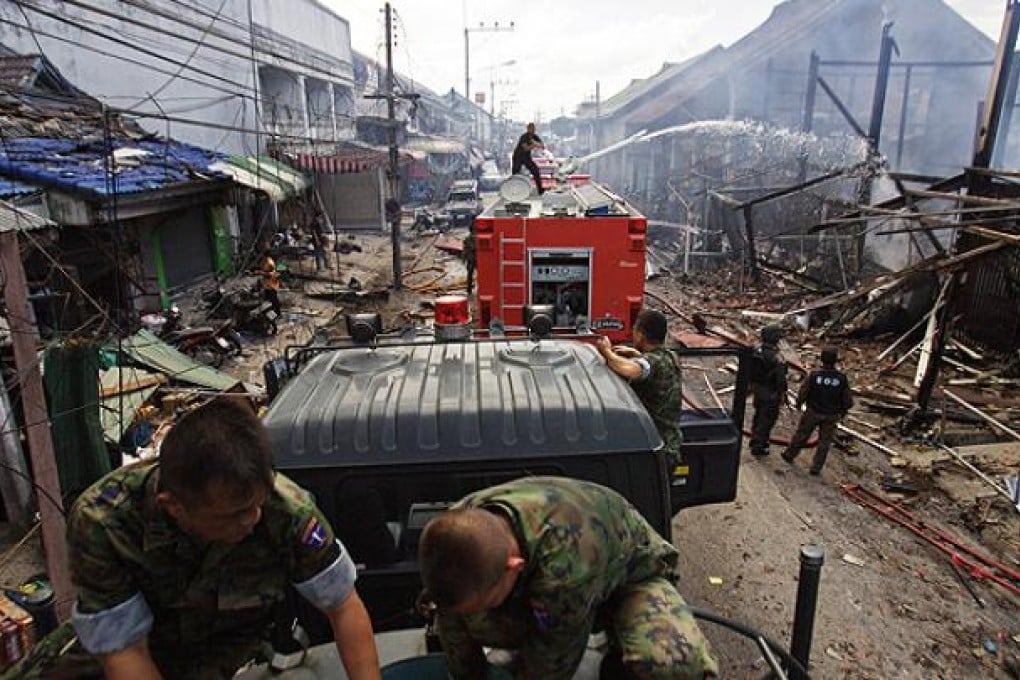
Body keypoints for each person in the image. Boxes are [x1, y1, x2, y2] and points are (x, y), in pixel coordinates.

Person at [11, 399, 380, 679]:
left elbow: (343, 606)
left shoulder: (286, 510)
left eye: (257, 504)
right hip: (120, 658)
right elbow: (125, 650)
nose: (252, 520)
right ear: (173, 506)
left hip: (222, 657)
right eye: (234, 514)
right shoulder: (106, 522)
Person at [419, 477, 718, 680]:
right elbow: (451, 620)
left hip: (628, 578)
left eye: (488, 601)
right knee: (475, 622)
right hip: (559, 584)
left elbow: (551, 666)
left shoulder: (563, 570)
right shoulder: (455, 530)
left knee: (671, 663)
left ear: (514, 566)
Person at [596, 308, 683, 467]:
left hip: (656, 450)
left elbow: (631, 370)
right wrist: (635, 354)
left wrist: (607, 352)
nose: (633, 334)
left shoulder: (652, 363)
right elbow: (652, 364)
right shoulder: (671, 356)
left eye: (635, 330)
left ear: (642, 334)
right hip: (670, 444)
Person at [782, 346, 853, 475]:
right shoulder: (841, 378)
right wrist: (843, 411)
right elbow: (847, 399)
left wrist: (798, 404)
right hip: (831, 415)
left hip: (813, 411)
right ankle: (816, 467)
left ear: (821, 359)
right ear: (836, 361)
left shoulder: (814, 375)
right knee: (824, 442)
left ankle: (790, 454)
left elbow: (804, 391)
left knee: (802, 434)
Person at [748, 325, 788, 458]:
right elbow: (781, 379)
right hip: (771, 392)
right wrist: (782, 393)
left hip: (758, 389)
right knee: (767, 419)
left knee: (758, 415)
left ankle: (754, 438)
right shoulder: (777, 357)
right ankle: (758, 445)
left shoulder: (756, 350)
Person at [511, 122, 545, 195]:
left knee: (535, 171)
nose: (532, 130)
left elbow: (542, 145)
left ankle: (540, 190)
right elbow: (526, 148)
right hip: (518, 156)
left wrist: (536, 143)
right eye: (531, 129)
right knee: (515, 173)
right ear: (528, 129)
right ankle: (513, 190)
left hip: (526, 157)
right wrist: (534, 145)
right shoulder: (524, 137)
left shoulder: (534, 136)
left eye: (533, 129)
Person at [259, 248, 282, 318]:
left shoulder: (270, 263)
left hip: (272, 284)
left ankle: (278, 313)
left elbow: (271, 274)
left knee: (274, 299)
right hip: (267, 284)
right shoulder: (265, 261)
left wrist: (261, 273)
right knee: (268, 299)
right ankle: (272, 313)